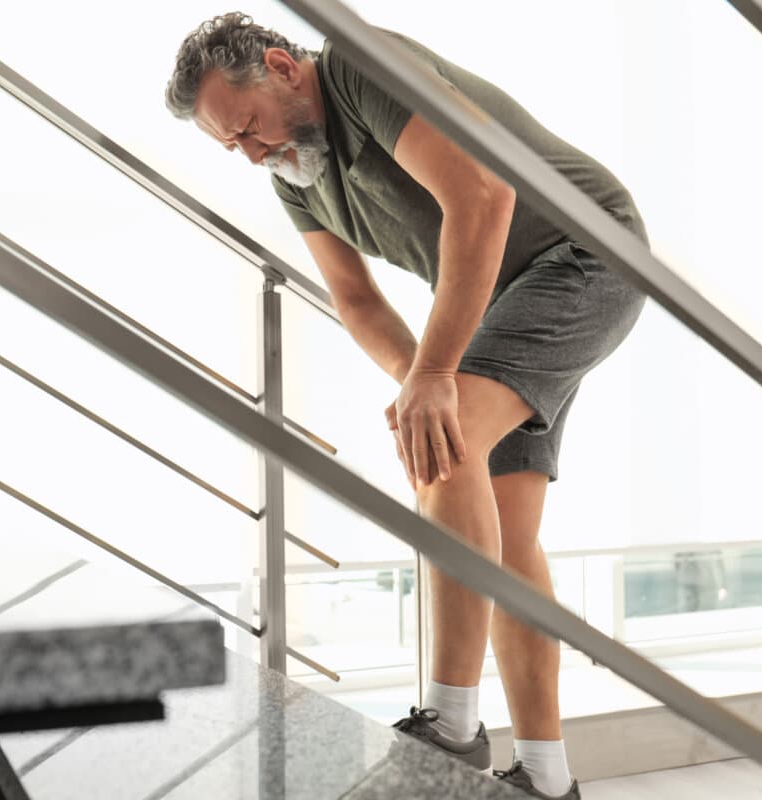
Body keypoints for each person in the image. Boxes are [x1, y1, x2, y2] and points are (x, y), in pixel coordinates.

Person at [165, 12, 648, 800]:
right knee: (505, 530)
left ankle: (450, 726)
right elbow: (355, 300)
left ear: (284, 67)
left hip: (584, 251)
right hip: (500, 301)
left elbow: (483, 197)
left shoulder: (363, 68)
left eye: (249, 127)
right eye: (235, 148)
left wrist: (436, 378)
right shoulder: (297, 174)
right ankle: (547, 779)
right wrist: (414, 378)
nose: (253, 154)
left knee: (443, 441)